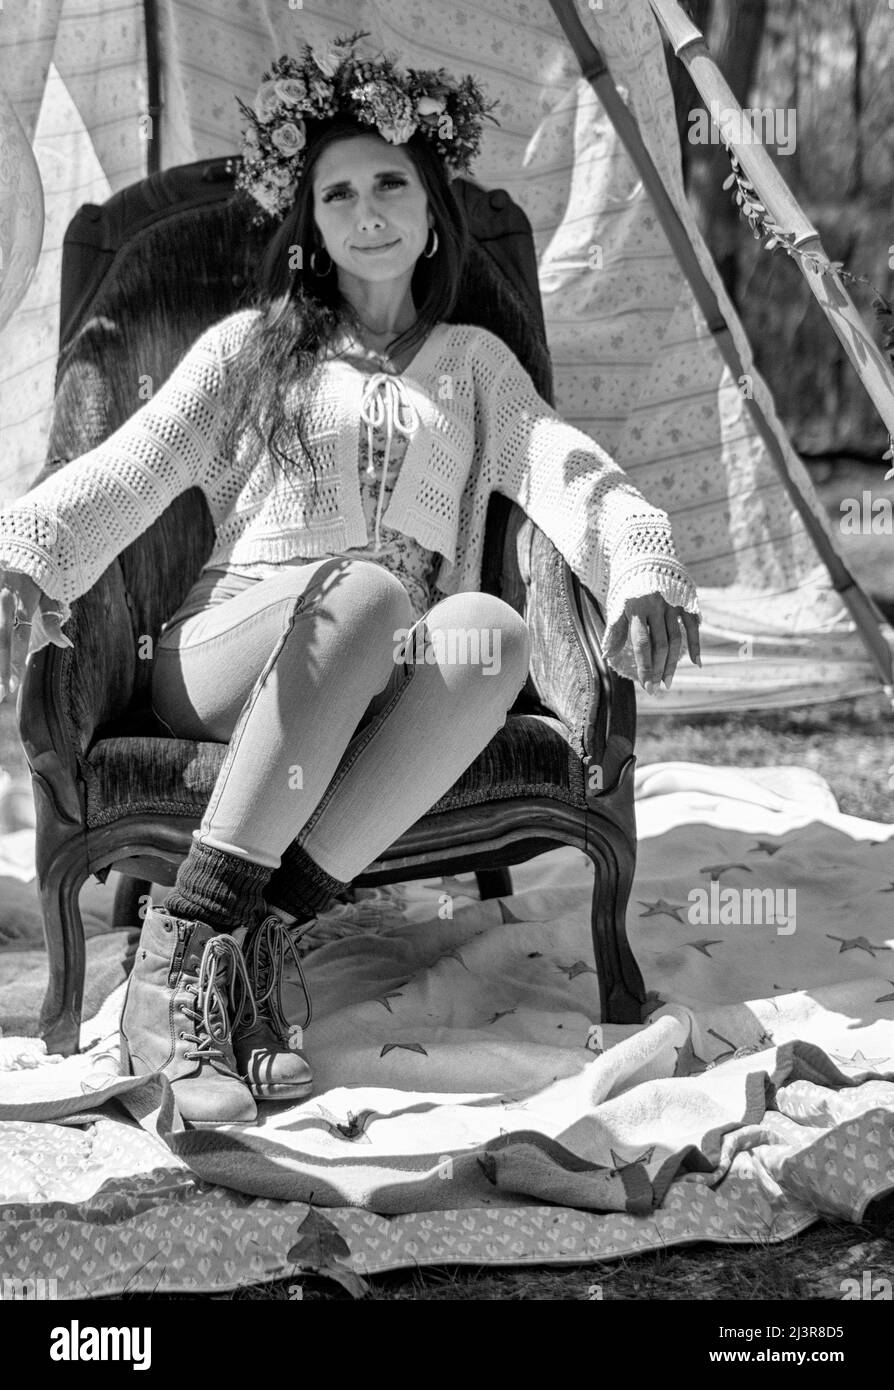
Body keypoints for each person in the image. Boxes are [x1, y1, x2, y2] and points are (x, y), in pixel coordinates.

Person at [0, 33, 701, 1127]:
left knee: (490, 633)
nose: (366, 210)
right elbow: (131, 465)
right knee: (372, 593)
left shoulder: (476, 367)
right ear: (311, 224)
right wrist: (24, 552)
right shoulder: (251, 348)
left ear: (431, 213)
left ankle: (240, 943)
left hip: (387, 657)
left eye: (390, 185)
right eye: (338, 194)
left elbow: (571, 471)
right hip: (228, 650)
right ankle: (180, 961)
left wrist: (642, 565)